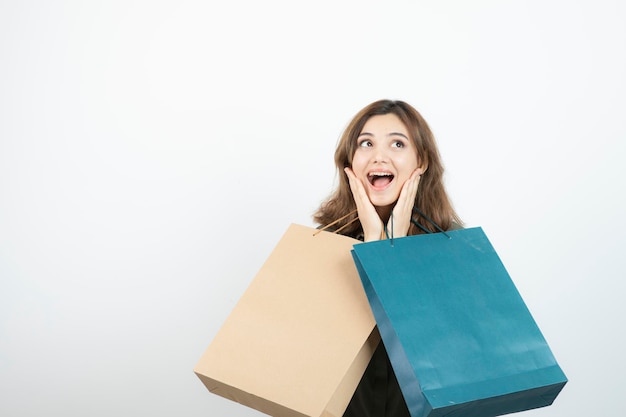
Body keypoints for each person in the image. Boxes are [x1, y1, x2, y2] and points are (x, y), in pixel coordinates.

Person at [313, 99, 463, 417]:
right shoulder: (321, 244)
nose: (379, 155)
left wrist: (393, 252)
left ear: (421, 162)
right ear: (349, 163)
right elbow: (319, 354)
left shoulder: (453, 246)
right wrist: (373, 243)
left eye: (397, 143)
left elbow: (447, 357)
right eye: (366, 143)